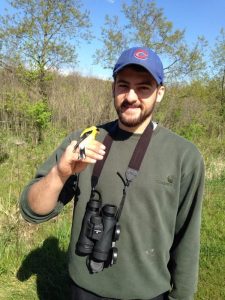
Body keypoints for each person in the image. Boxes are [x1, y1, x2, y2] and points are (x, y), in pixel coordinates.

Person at [20, 47, 205, 300]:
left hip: (148, 292)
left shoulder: (184, 155)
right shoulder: (83, 141)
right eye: (123, 85)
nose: (131, 96)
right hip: (84, 288)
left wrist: (182, 296)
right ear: (113, 87)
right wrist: (60, 173)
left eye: (143, 87)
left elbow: (188, 239)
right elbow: (33, 211)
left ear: (160, 92)